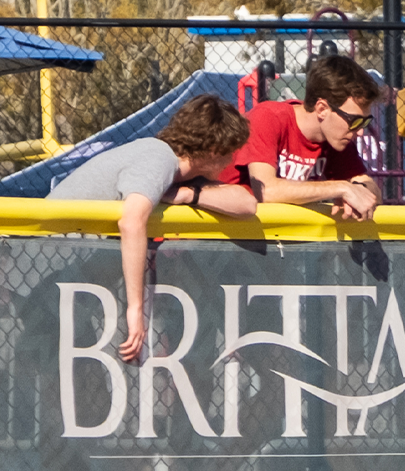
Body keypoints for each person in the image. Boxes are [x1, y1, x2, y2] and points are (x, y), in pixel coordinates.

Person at [46, 94, 255, 362]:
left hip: (73, 274)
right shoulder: (159, 158)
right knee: (60, 376)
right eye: (230, 151)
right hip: (51, 270)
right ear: (214, 150)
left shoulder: (182, 175)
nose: (230, 161)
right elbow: (132, 222)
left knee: (85, 382)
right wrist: (136, 309)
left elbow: (247, 204)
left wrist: (188, 195)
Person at [230, 55, 383, 221]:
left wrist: (358, 190)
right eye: (355, 121)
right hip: (224, 231)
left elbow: (370, 188)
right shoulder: (268, 117)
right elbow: (266, 191)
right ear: (322, 109)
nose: (360, 132)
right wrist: (342, 188)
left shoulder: (337, 138)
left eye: (365, 122)